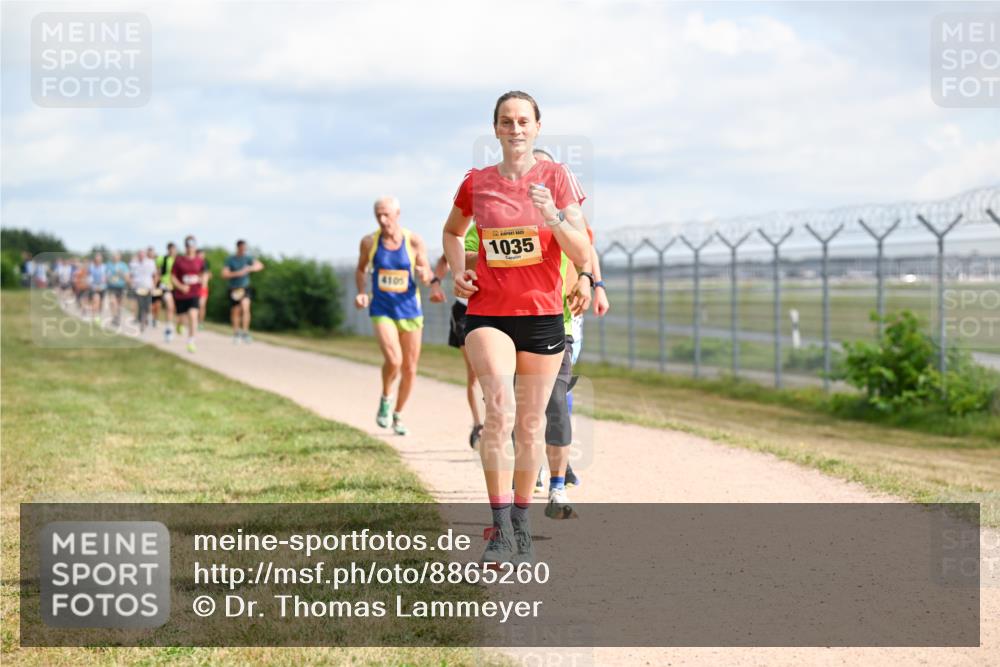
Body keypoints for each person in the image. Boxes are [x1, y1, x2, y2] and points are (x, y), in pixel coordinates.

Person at [442, 91, 591, 566]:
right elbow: (451, 230)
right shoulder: (477, 183)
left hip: (543, 316)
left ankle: (522, 521)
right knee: (500, 410)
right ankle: (499, 525)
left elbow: (582, 251)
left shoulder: (558, 178)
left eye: (523, 120)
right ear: (496, 130)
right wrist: (455, 267)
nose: (516, 129)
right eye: (507, 121)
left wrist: (551, 217)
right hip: (488, 312)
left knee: (529, 424)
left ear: (538, 127)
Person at [355, 195, 433, 436]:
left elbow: (427, 273)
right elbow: (360, 269)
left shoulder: (414, 241)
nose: (382, 218)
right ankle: (386, 398)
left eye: (386, 214)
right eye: (378, 214)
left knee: (410, 368)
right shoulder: (369, 242)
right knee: (395, 360)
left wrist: (424, 275)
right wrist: (361, 292)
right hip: (382, 309)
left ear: (397, 214)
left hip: (410, 309)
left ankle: (398, 413)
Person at [429, 222, 484, 449]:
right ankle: (478, 425)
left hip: (494, 308)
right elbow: (444, 260)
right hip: (465, 310)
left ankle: (498, 422)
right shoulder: (465, 232)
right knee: (474, 371)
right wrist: (435, 284)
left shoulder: (504, 226)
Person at [222, 240, 265, 344]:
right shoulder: (230, 259)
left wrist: (250, 268)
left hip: (245, 287)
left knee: (246, 308)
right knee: (236, 311)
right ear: (238, 248)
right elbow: (224, 274)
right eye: (242, 248)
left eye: (245, 248)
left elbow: (260, 265)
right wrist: (238, 273)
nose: (243, 250)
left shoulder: (248, 258)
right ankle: (236, 333)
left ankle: (245, 332)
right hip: (234, 288)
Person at [171, 236, 207, 353]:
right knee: (182, 317)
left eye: (192, 245)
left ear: (195, 246)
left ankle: (191, 341)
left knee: (193, 315)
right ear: (185, 246)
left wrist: (202, 281)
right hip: (181, 294)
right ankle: (179, 324)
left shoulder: (200, 261)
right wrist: (181, 286)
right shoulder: (179, 260)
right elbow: (173, 276)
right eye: (188, 245)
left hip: (194, 293)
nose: (190, 248)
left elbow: (204, 274)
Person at [129, 248, 157, 332]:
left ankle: (145, 318)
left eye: (142, 255)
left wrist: (154, 286)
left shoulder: (150, 263)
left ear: (145, 256)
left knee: (147, 305)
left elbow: (155, 275)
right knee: (141, 305)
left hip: (148, 287)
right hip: (138, 288)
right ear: (138, 256)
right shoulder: (134, 264)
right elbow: (131, 275)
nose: (141, 257)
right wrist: (131, 284)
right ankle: (141, 321)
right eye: (139, 255)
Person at [156, 243, 178, 341]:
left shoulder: (178, 261)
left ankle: (172, 324)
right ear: (168, 250)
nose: (172, 251)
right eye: (171, 249)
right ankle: (168, 328)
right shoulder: (162, 259)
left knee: (174, 308)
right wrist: (155, 284)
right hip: (165, 286)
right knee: (170, 306)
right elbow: (157, 272)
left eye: (174, 249)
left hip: (176, 287)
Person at [106, 252, 130, 327]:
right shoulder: (109, 264)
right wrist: (109, 279)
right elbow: (106, 275)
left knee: (119, 304)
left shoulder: (123, 265)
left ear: (120, 257)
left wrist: (121, 275)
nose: (115, 258)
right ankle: (115, 317)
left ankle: (117, 316)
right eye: (114, 256)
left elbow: (127, 277)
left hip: (121, 286)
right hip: (111, 286)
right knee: (113, 302)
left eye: (117, 256)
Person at [88, 253, 108, 323]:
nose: (98, 261)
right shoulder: (91, 267)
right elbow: (89, 277)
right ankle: (93, 317)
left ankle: (98, 315)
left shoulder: (104, 267)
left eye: (99, 260)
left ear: (101, 260)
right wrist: (92, 285)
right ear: (95, 260)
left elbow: (106, 277)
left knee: (101, 303)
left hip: (103, 287)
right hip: (94, 287)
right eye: (97, 260)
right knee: (96, 300)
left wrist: (105, 280)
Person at [196, 249, 212, 330]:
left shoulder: (206, 263)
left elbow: (209, 274)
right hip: (194, 288)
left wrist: (207, 276)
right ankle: (193, 321)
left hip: (203, 288)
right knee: (194, 306)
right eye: (200, 255)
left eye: (203, 255)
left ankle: (200, 322)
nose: (202, 256)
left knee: (202, 305)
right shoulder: (193, 263)